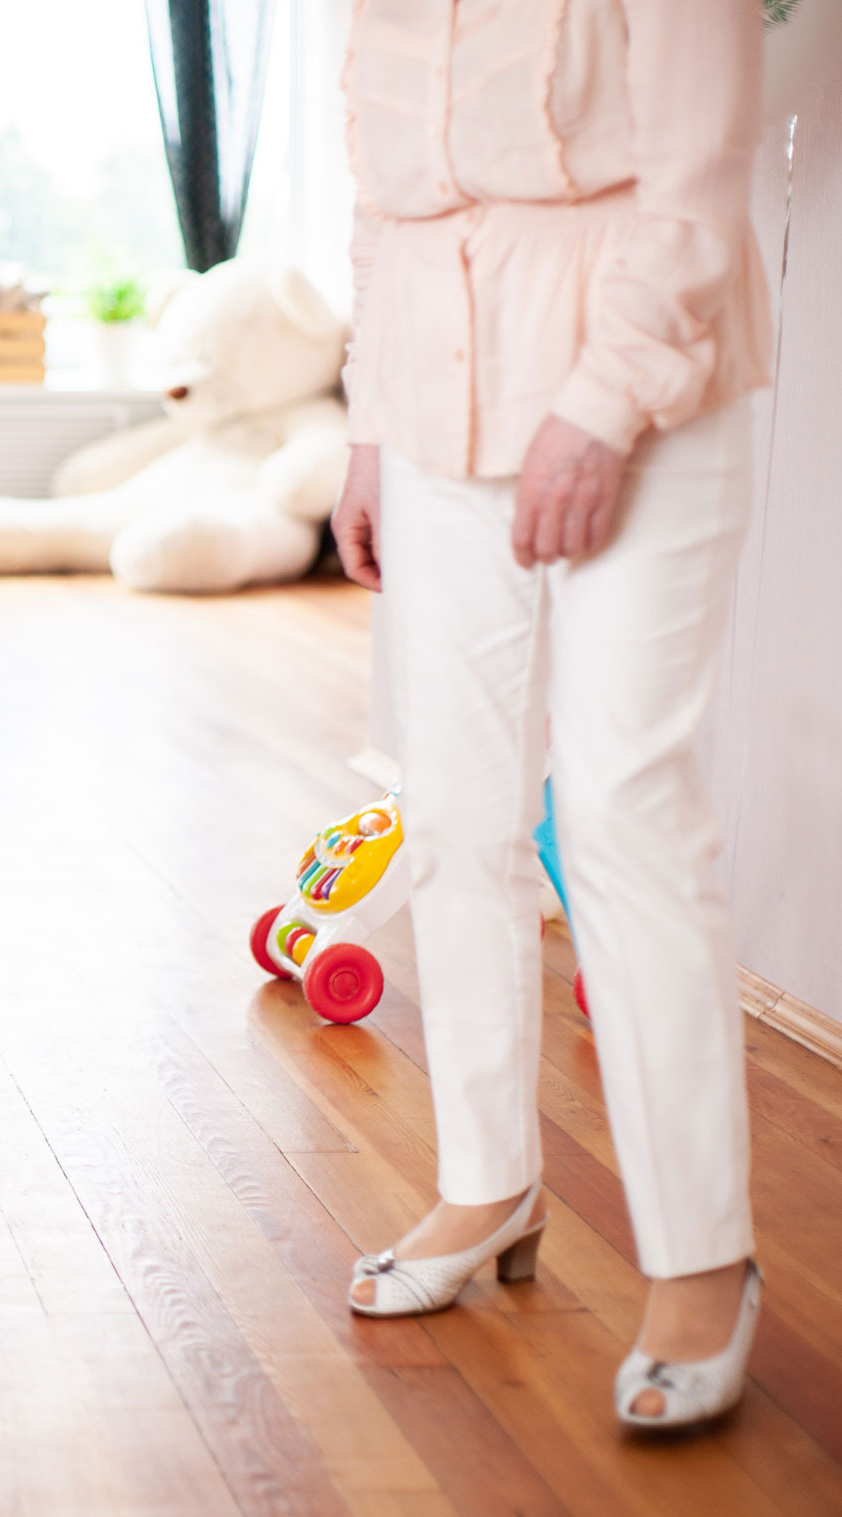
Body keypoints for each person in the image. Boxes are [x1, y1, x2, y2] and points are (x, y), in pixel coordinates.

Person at [330, 2, 772, 1431]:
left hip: (639, 392)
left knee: (623, 810)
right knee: (456, 809)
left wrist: (602, 404)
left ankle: (703, 1257)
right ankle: (486, 1178)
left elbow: (699, 186)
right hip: (434, 409)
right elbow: (380, 210)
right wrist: (368, 431)